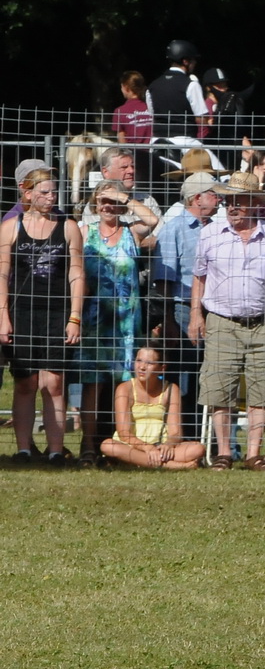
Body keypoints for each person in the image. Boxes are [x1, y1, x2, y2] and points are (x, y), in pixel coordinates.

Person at [189, 172, 265, 470]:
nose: (232, 207)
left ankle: (253, 454)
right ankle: (223, 452)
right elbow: (199, 278)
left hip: (264, 322)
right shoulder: (210, 234)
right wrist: (195, 314)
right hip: (221, 320)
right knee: (219, 387)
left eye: (239, 201)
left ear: (254, 203)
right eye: (228, 201)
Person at [0, 167, 84, 464]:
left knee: (54, 383)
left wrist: (75, 316)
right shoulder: (11, 227)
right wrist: (3, 316)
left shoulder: (68, 226)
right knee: (25, 382)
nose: (51, 197)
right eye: (45, 192)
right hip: (21, 312)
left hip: (57, 312)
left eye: (54, 192)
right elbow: (2, 274)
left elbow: (76, 273)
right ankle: (23, 449)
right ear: (28, 193)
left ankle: (56, 451)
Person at [76, 180, 158, 462]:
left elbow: (152, 219)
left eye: (113, 202)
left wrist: (121, 196)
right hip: (94, 320)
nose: (108, 207)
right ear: (94, 205)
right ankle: (88, 443)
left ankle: (124, 442)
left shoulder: (130, 233)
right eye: (102, 201)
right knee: (93, 383)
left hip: (126, 322)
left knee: (126, 384)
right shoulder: (84, 232)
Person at [153, 172, 223, 436]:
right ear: (197, 198)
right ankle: (180, 435)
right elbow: (164, 280)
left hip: (215, 311)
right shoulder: (174, 228)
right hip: (182, 311)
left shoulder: (217, 227)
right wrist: (169, 321)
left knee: (211, 375)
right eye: (214, 194)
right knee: (183, 375)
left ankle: (207, 438)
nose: (219, 199)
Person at [99, 347, 204, 469]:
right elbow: (123, 432)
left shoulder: (171, 389)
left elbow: (176, 432)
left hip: (160, 446)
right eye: (139, 361)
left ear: (162, 368)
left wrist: (168, 445)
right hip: (131, 446)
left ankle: (137, 461)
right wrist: (146, 447)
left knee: (198, 448)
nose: (142, 367)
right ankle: (171, 466)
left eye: (149, 363)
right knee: (107, 445)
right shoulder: (124, 388)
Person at [79, 148, 162, 233]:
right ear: (105, 172)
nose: (131, 171)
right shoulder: (98, 204)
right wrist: (136, 240)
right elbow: (99, 238)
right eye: (124, 167)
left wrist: (125, 199)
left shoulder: (147, 199)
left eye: (132, 166)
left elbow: (161, 235)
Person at [145, 39, 208, 141]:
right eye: (193, 60)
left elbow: (153, 113)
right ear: (185, 61)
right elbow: (202, 118)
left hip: (157, 141)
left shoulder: (152, 86)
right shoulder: (191, 84)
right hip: (185, 141)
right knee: (212, 158)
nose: (195, 63)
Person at [111, 71, 153, 144]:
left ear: (126, 88)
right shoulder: (151, 108)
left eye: (121, 87)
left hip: (132, 152)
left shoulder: (120, 111)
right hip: (152, 151)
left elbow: (121, 139)